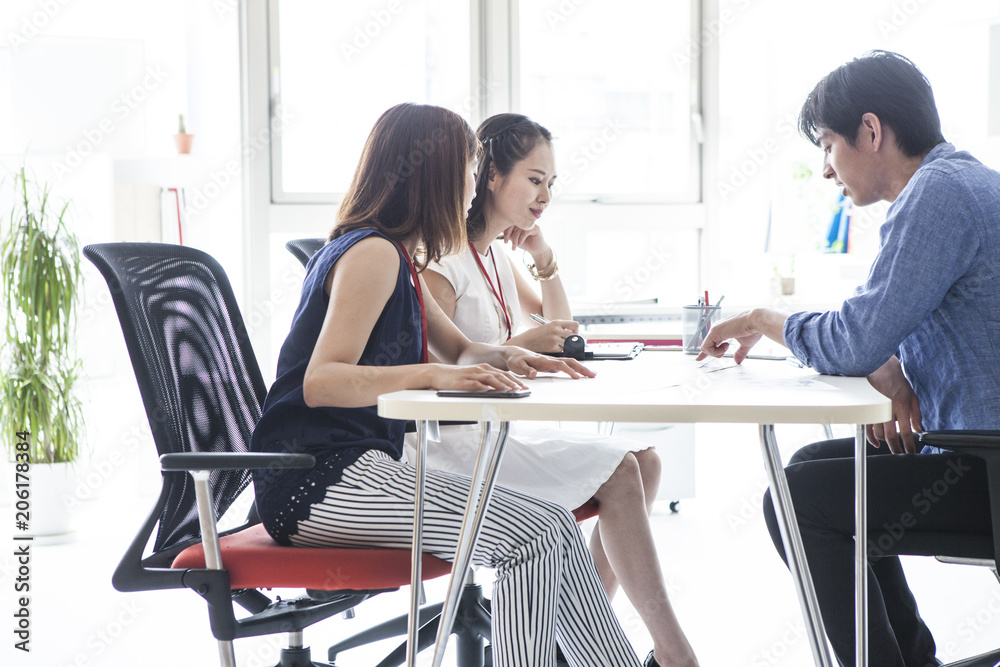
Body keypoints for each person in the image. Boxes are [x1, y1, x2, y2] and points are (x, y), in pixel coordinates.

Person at [250, 102, 643, 666]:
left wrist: (516, 355)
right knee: (532, 536)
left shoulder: (397, 257)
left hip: (358, 469)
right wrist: (436, 373)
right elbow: (323, 382)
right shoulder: (371, 254)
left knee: (550, 522)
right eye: (466, 170)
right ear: (433, 176)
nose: (471, 185)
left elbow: (461, 348)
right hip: (319, 483)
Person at [698, 51, 997, 667]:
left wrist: (763, 319)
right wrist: (884, 360)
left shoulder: (937, 198)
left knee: (799, 498)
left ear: (870, 129)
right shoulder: (963, 183)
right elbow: (877, 328)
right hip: (975, 447)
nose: (826, 170)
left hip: (986, 464)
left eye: (828, 145)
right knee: (813, 466)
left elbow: (855, 337)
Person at [413, 113, 699, 667]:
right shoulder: (445, 261)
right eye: (534, 179)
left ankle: (577, 634)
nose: (544, 196)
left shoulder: (495, 252)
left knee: (646, 463)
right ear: (491, 175)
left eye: (551, 184)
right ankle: (672, 653)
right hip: (449, 446)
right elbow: (433, 367)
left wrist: (544, 259)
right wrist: (528, 341)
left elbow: (564, 332)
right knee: (622, 472)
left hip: (495, 435)